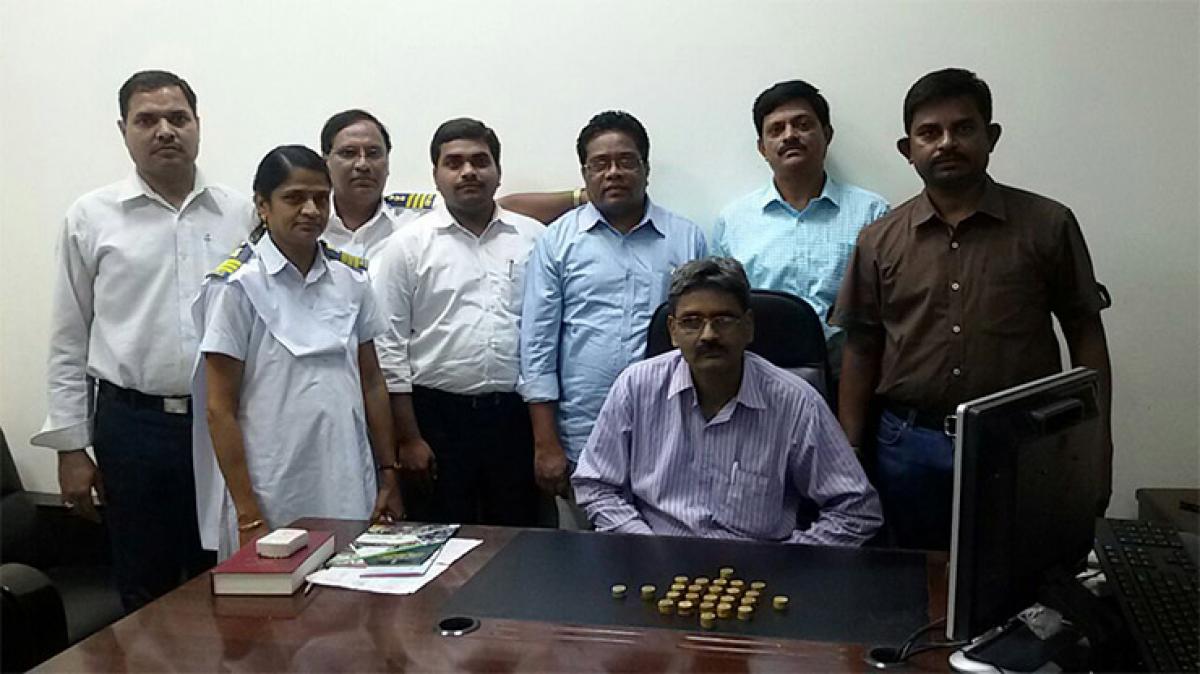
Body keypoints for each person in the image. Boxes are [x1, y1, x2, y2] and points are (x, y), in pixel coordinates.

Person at [831, 68, 1113, 550]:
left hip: (1022, 442)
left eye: (963, 128)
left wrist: (1096, 442)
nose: (946, 143)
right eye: (929, 133)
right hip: (908, 448)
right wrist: (849, 453)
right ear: (908, 150)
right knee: (912, 592)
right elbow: (861, 349)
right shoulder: (879, 240)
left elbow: (1085, 334)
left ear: (992, 136)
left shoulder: (1048, 225)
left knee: (1026, 586)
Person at [31, 70, 250, 610]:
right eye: (146, 120)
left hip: (220, 422)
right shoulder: (91, 217)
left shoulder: (240, 213)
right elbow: (68, 337)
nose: (164, 131)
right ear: (123, 130)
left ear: (198, 125)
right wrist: (70, 449)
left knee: (224, 573)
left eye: (178, 118)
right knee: (143, 583)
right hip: (131, 428)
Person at [572, 258, 882, 544]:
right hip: (656, 562)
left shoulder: (795, 402)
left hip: (756, 576)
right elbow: (596, 486)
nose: (708, 335)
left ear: (748, 327)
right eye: (691, 321)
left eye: (723, 319)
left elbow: (856, 511)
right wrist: (647, 546)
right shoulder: (636, 386)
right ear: (673, 331)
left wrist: (789, 559)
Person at [192, 145, 403, 558]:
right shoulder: (236, 287)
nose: (310, 210)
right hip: (270, 484)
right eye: (294, 198)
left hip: (346, 475)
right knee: (272, 613)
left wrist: (388, 473)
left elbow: (373, 381)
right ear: (262, 206)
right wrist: (248, 512)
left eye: (320, 198)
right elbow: (219, 409)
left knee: (351, 604)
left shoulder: (351, 279)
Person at [520, 111, 708, 528]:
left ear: (646, 168)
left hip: (672, 433)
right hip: (583, 435)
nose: (614, 172)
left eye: (626, 161)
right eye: (600, 164)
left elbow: (703, 343)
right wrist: (546, 443)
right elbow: (537, 348)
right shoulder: (557, 243)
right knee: (585, 567)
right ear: (584, 174)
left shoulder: (686, 238)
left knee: (668, 559)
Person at [372, 118, 543, 526]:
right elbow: (389, 347)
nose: (468, 172)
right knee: (442, 545)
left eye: (480, 161)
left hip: (515, 419)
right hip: (436, 421)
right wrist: (409, 438)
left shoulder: (535, 239)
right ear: (436, 174)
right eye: (454, 162)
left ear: (498, 172)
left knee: (521, 540)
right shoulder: (406, 247)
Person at [712, 80, 887, 384]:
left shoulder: (871, 214)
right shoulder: (733, 222)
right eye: (776, 129)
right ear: (762, 147)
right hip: (759, 384)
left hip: (850, 384)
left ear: (827, 135)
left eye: (802, 124)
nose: (790, 135)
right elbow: (721, 310)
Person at [321, 109, 583, 261]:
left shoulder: (414, 215)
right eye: (348, 153)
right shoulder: (308, 224)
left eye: (374, 153)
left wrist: (583, 197)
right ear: (326, 161)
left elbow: (503, 208)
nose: (363, 164)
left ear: (388, 161)